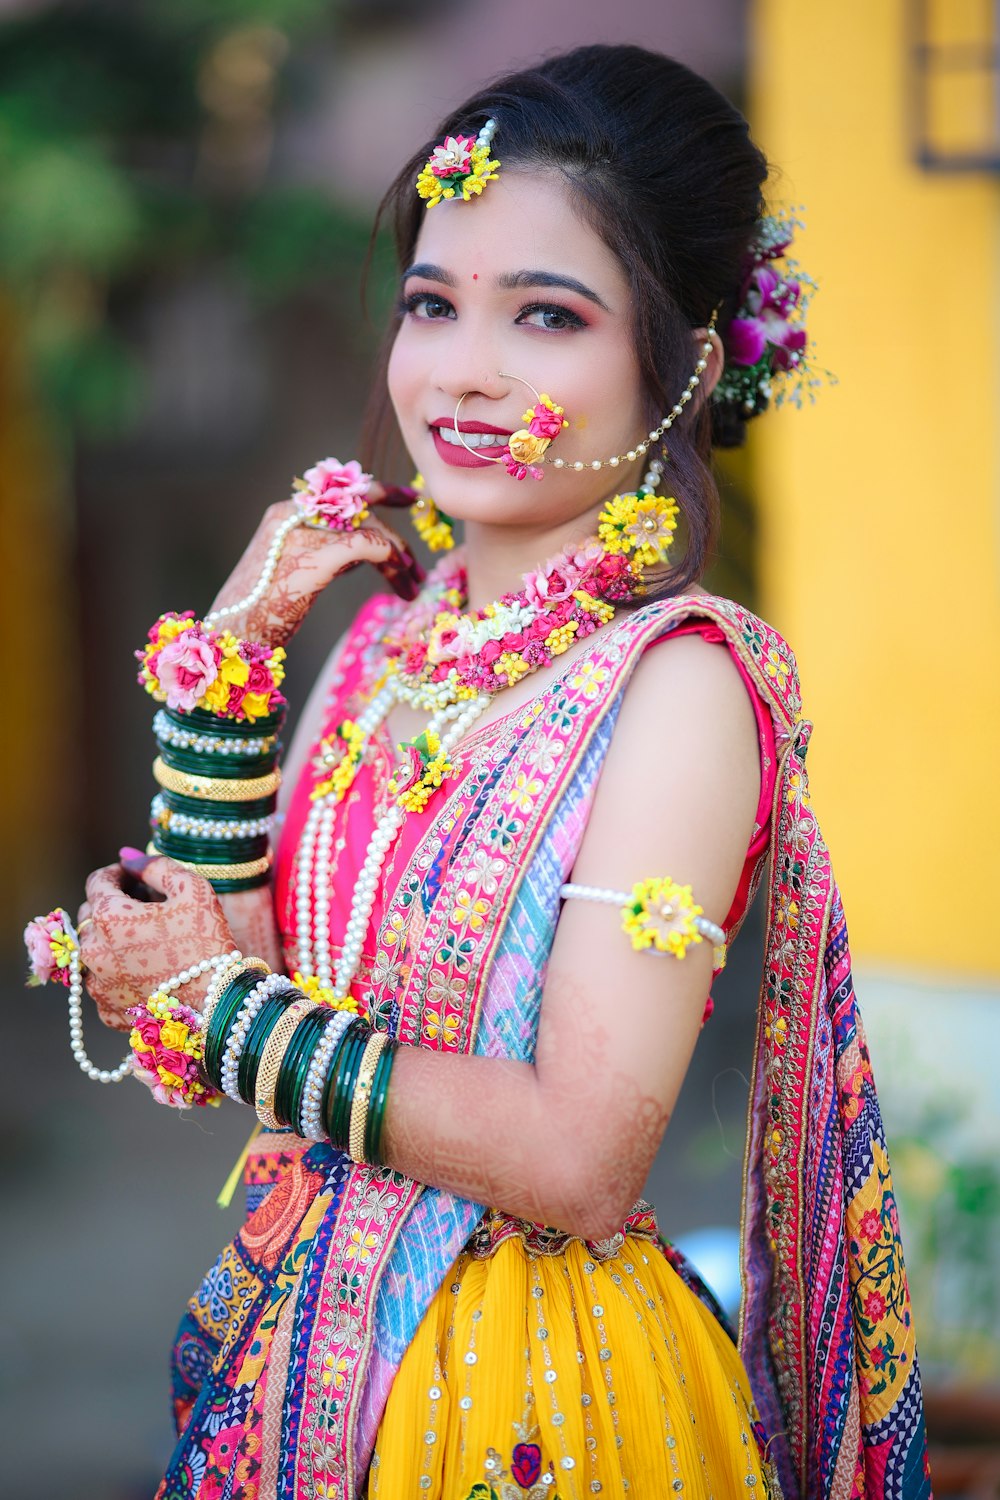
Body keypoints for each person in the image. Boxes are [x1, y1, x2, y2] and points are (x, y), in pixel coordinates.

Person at [31, 45, 931, 1500]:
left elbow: (579, 1157)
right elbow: (226, 1045)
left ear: (684, 364)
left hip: (522, 1404)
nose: (462, 369)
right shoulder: (395, 633)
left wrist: (208, 995)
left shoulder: (678, 685)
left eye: (548, 316)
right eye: (433, 304)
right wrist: (232, 671)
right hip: (285, 1357)